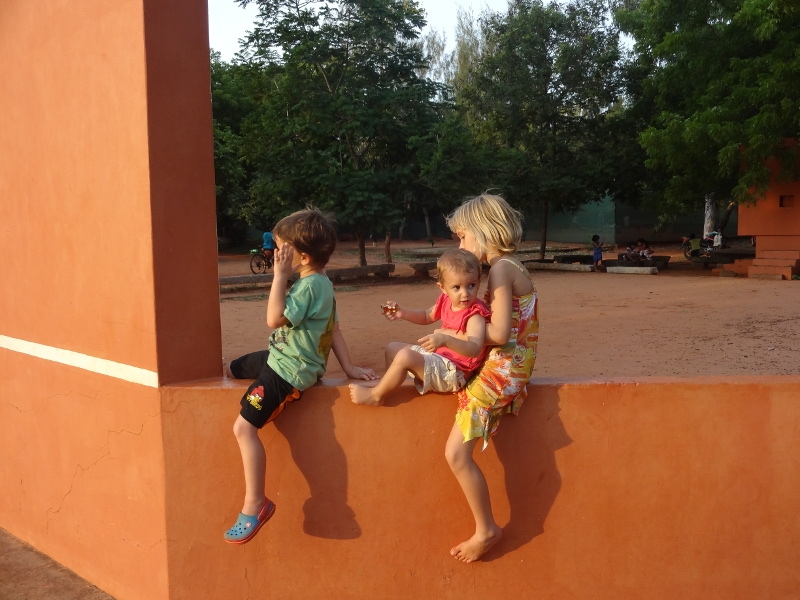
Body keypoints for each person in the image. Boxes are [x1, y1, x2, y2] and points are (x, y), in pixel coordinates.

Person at [223, 207, 376, 545]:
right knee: (233, 368)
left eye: (282, 250)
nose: (278, 255)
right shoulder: (322, 283)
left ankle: (255, 504)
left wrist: (278, 277)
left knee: (243, 428)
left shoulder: (308, 287)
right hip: (281, 357)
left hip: (286, 373)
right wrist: (349, 368)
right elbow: (335, 330)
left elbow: (273, 319)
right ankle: (237, 370)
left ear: (303, 257)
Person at [446, 194, 538, 563]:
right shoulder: (511, 265)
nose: (460, 246)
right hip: (510, 366)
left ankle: (486, 529)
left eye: (463, 236)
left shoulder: (501, 269)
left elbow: (499, 333)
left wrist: (456, 335)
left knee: (456, 454)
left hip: (504, 370)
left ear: (483, 231)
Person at [348, 249, 491, 406]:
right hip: (439, 360)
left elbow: (474, 348)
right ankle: (386, 386)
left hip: (454, 373)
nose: (465, 294)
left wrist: (445, 340)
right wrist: (402, 313)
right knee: (392, 349)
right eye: (456, 287)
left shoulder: (475, 314)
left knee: (405, 356)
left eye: (471, 285)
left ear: (479, 282)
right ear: (443, 288)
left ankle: (376, 396)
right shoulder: (446, 300)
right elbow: (426, 316)